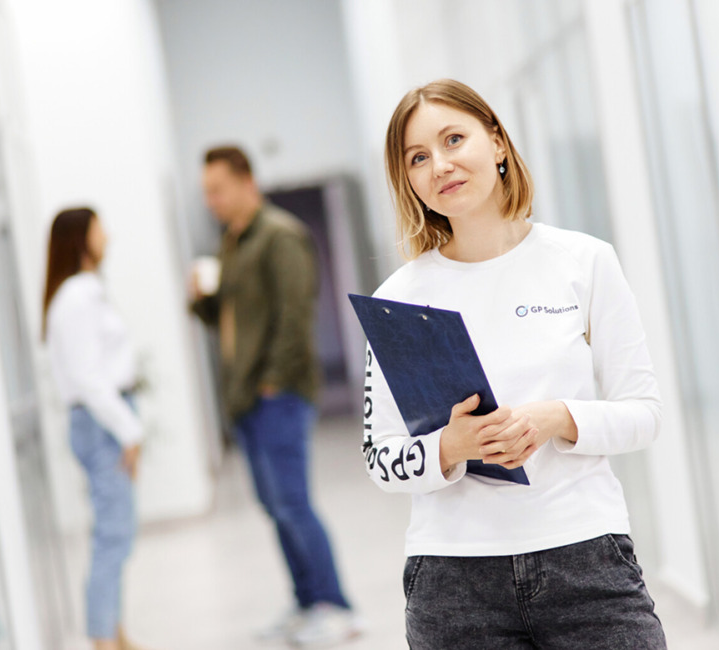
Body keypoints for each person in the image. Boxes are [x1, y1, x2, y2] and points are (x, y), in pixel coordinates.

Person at [363, 79, 667, 649]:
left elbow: (644, 413)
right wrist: (452, 447)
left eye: (455, 139)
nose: (441, 165)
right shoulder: (398, 299)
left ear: (498, 142)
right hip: (454, 583)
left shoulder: (584, 262)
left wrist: (556, 419)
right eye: (419, 157)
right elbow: (380, 459)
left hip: (588, 561)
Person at [188, 146, 360, 647]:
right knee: (275, 506)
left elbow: (294, 315)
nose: (211, 201)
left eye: (217, 190)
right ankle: (307, 603)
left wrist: (273, 382)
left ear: (246, 181)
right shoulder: (233, 242)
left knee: (293, 503)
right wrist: (199, 300)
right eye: (206, 193)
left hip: (276, 395)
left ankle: (338, 608)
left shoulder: (280, 236)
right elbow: (226, 318)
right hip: (245, 398)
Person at [43, 207, 147, 650]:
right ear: (81, 238)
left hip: (102, 418)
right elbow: (88, 378)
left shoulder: (82, 292)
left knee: (115, 533)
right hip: (102, 422)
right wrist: (129, 431)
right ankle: (103, 640)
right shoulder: (77, 296)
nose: (107, 235)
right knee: (113, 537)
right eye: (99, 227)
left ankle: (113, 633)